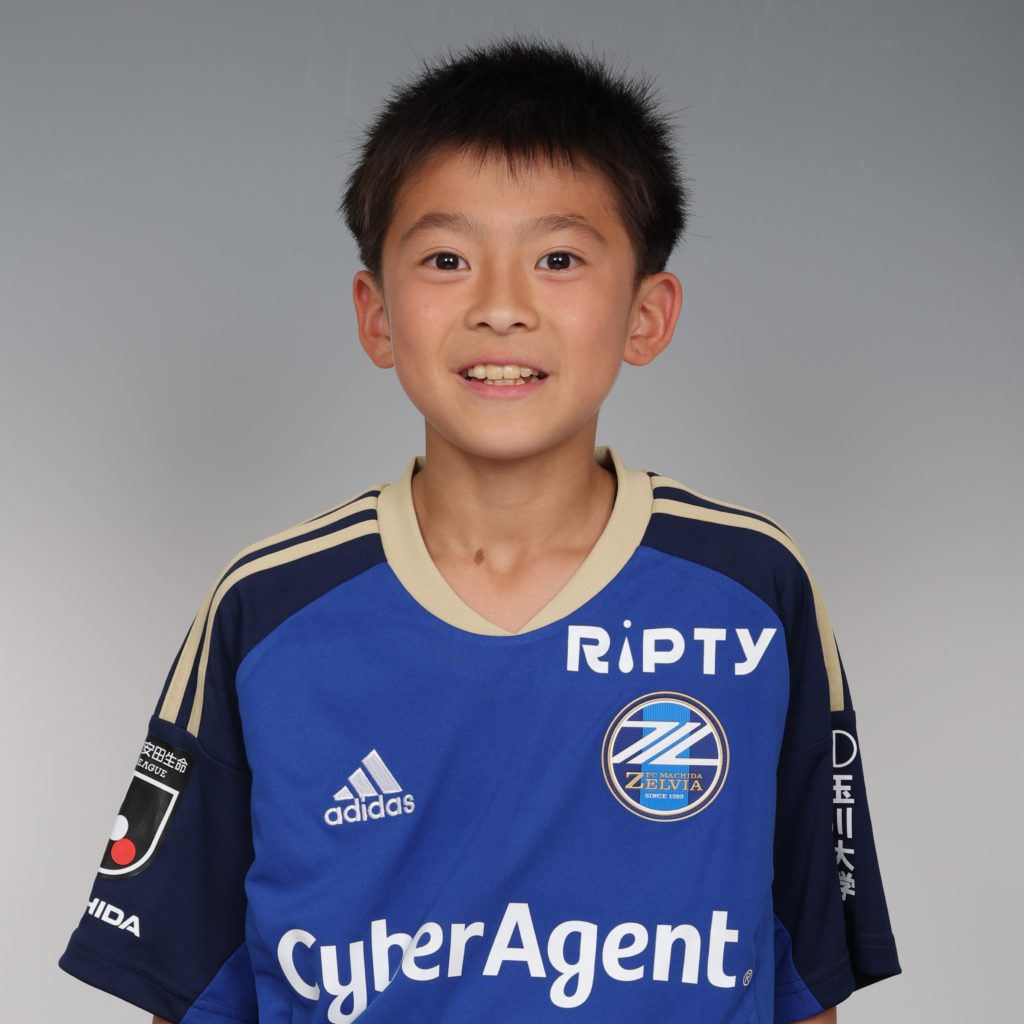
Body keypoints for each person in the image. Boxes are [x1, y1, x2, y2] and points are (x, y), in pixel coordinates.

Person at [58, 35, 900, 1024]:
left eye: (558, 258)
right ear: (377, 314)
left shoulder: (751, 590)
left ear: (647, 314)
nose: (502, 307)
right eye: (447, 259)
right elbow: (185, 981)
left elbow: (804, 977)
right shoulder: (269, 609)